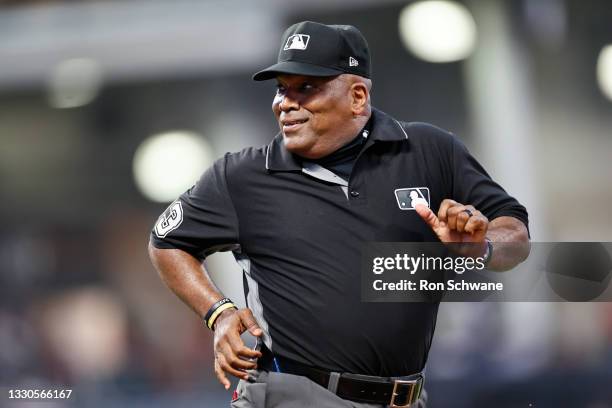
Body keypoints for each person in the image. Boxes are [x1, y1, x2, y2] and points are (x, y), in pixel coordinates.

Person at [148, 21, 530, 408]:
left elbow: (515, 234)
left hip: (405, 398)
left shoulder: (429, 151)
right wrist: (219, 313)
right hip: (292, 395)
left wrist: (482, 248)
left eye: (307, 88)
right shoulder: (243, 175)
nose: (285, 103)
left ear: (358, 96)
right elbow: (166, 243)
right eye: (282, 88)